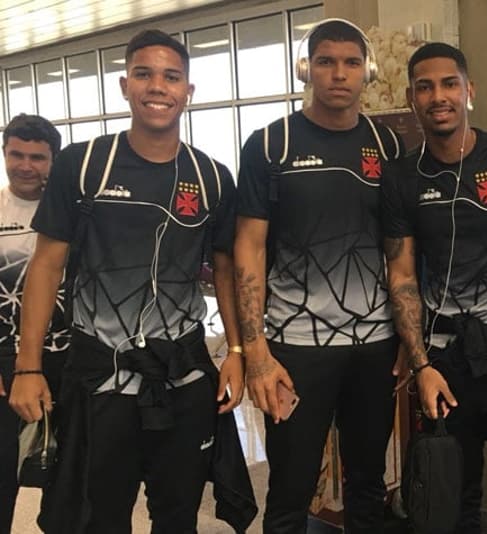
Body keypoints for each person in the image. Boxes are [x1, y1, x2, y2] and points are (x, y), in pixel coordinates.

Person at [8, 29, 249, 533]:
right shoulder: (84, 163)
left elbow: (226, 268)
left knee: (178, 514)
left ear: (188, 91)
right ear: (124, 85)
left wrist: (236, 351)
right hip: (101, 374)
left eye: (171, 77)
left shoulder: (211, 176)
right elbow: (46, 265)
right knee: (100, 516)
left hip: (182, 371)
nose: (157, 86)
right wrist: (28, 366)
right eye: (144, 74)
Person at [233, 19, 403, 534]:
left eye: (352, 62)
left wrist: (407, 340)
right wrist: (256, 352)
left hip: (374, 345)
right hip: (295, 347)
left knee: (369, 483)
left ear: (367, 71)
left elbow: (399, 250)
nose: (339, 74)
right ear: (306, 69)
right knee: (291, 487)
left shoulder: (387, 145)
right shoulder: (270, 144)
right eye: (326, 61)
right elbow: (249, 248)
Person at [382, 42, 487, 534]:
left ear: (469, 90)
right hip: (446, 363)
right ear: (411, 98)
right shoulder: (402, 177)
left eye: (449, 84)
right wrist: (422, 367)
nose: (438, 96)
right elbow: (402, 276)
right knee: (452, 497)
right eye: (425, 87)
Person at [0, 114, 66, 534]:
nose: (25, 166)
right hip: (5, 360)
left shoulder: (72, 211)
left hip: (66, 357)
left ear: (54, 160)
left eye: (37, 157)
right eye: (16, 155)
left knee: (67, 479)